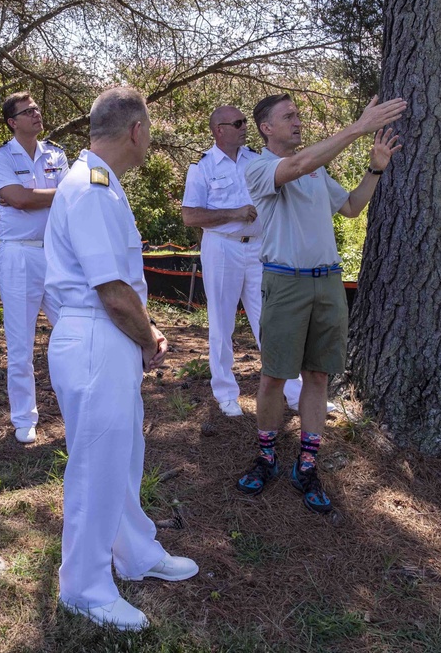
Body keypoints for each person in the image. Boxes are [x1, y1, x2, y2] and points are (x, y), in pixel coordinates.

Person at [45, 86, 198, 632]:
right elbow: (111, 290)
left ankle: (134, 551)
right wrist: (149, 335)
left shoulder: (104, 185)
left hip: (105, 337)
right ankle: (84, 587)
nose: (149, 139)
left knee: (122, 456)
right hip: (96, 335)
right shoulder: (91, 188)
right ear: (135, 130)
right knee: (96, 467)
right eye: (149, 130)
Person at [237, 93, 405, 514]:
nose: (297, 121)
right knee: (274, 376)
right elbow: (295, 166)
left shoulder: (316, 169)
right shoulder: (258, 167)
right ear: (266, 128)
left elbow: (350, 207)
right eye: (288, 116)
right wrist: (357, 128)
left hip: (327, 282)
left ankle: (307, 465)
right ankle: (267, 457)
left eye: (297, 115)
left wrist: (375, 169)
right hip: (285, 283)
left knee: (317, 375)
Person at [181, 105, 308, 417]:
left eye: (244, 122)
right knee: (222, 323)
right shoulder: (202, 167)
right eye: (237, 123)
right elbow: (190, 216)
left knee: (271, 321)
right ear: (219, 130)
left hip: (259, 248)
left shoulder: (256, 159)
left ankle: (295, 393)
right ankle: (225, 394)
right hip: (222, 247)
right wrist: (233, 213)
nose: (244, 127)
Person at [0, 92, 69, 443]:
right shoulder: (0, 156)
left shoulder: (56, 154)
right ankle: (24, 418)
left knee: (72, 331)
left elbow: (66, 200)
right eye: (28, 111)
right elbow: (17, 199)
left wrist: (33, 197)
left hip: (56, 255)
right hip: (19, 255)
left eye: (37, 108)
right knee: (20, 342)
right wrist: (57, 194)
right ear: (12, 122)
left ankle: (75, 408)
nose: (36, 114)